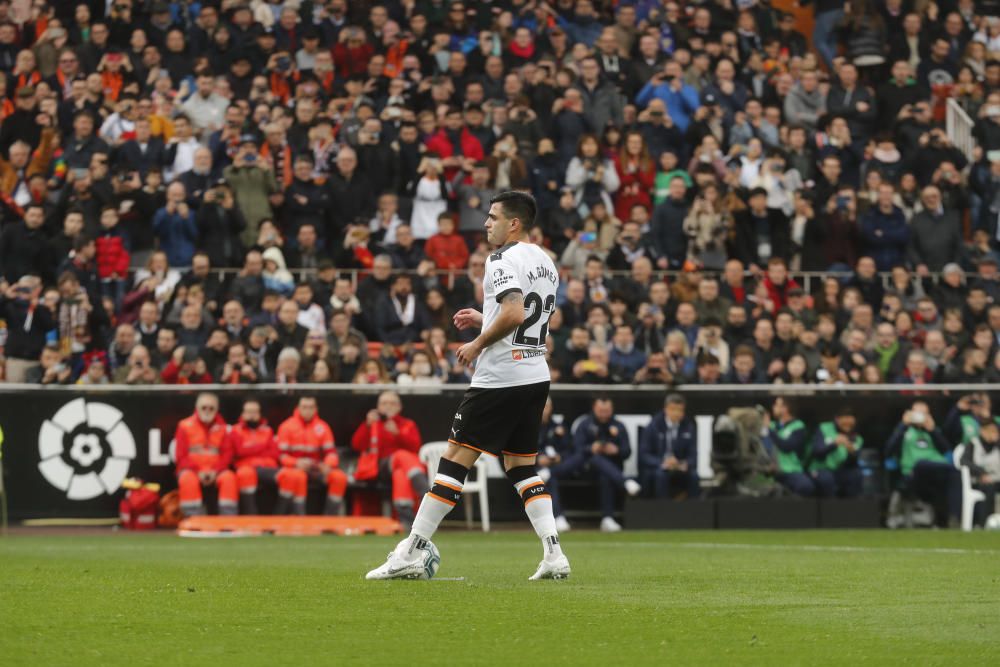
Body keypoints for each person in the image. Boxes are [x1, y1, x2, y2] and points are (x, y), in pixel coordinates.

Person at [366, 191, 571, 581]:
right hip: (534, 373)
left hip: (499, 377)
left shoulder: (500, 259)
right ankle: (554, 554)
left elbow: (513, 311)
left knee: (453, 461)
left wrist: (478, 343)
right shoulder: (546, 261)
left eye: (493, 217)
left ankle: (410, 550)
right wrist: (485, 316)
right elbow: (529, 315)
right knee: (521, 466)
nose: (487, 224)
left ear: (514, 223)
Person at [546, 396, 641, 533]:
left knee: (605, 473)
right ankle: (625, 482)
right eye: (600, 410)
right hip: (584, 469)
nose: (603, 414)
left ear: (612, 409)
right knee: (593, 458)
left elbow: (627, 452)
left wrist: (616, 450)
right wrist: (591, 448)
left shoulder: (619, 426)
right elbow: (576, 450)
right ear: (594, 408)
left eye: (607, 410)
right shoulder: (585, 424)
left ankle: (607, 519)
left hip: (610, 471)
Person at [350, 391, 428, 528]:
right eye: (384, 403)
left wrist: (397, 434)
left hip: (401, 469)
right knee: (401, 455)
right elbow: (356, 445)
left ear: (399, 407)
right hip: (377, 468)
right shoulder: (373, 423)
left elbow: (416, 447)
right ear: (378, 407)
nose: (388, 406)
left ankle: (407, 520)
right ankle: (426, 492)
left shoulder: (407, 424)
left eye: (392, 403)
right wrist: (367, 425)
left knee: (400, 473)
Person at [885, 400, 959, 527]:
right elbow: (889, 450)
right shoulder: (904, 431)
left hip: (936, 473)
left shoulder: (934, 431)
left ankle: (954, 518)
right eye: (916, 413)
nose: (920, 417)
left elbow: (947, 451)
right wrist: (903, 425)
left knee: (956, 474)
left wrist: (933, 430)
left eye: (923, 413)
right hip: (913, 473)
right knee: (922, 464)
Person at [227, 398, 306, 515]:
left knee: (290, 476)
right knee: (245, 474)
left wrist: (251, 449)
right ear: (243, 414)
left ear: (259, 414)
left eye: (255, 412)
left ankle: (279, 516)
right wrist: (262, 447)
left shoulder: (267, 431)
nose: (251, 415)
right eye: (248, 412)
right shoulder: (235, 431)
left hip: (268, 467)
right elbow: (239, 452)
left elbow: (274, 453)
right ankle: (251, 516)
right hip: (247, 467)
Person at [275, 396, 348, 516]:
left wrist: (327, 465)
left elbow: (331, 453)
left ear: (316, 409)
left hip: (317, 468)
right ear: (298, 408)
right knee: (298, 476)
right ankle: (299, 517)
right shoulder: (286, 426)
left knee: (339, 477)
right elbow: (280, 456)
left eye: (311, 407)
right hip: (295, 468)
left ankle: (331, 519)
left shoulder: (323, 427)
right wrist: (296, 463)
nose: (307, 410)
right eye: (304, 407)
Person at [174, 393, 238, 516]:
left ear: (217, 409)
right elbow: (180, 456)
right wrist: (198, 471)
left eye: (211, 408)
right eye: (204, 407)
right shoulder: (184, 425)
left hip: (217, 471)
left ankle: (228, 520)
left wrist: (215, 471)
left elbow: (227, 454)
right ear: (197, 408)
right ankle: (192, 519)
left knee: (229, 478)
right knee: (188, 479)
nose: (207, 411)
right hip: (191, 470)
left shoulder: (224, 428)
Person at [638, 394, 699, 500]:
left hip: (679, 466)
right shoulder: (653, 426)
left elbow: (693, 455)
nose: (676, 413)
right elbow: (644, 455)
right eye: (673, 409)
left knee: (693, 476)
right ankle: (664, 511)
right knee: (660, 475)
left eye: (680, 410)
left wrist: (685, 463)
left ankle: (693, 512)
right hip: (659, 466)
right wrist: (663, 463)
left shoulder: (688, 427)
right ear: (665, 409)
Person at [764, 397, 815, 497]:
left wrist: (769, 429)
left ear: (785, 408)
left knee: (806, 486)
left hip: (790, 470)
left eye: (777, 405)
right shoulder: (772, 425)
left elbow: (786, 446)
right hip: (769, 471)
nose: (773, 407)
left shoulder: (798, 426)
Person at [809, 406, 864, 498]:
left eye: (850, 424)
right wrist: (834, 444)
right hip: (820, 469)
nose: (847, 426)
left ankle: (852, 507)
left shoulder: (857, 438)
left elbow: (854, 462)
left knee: (856, 476)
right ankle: (830, 509)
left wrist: (851, 452)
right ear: (837, 419)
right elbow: (816, 452)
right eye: (844, 422)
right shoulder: (824, 428)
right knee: (827, 480)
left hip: (839, 471)